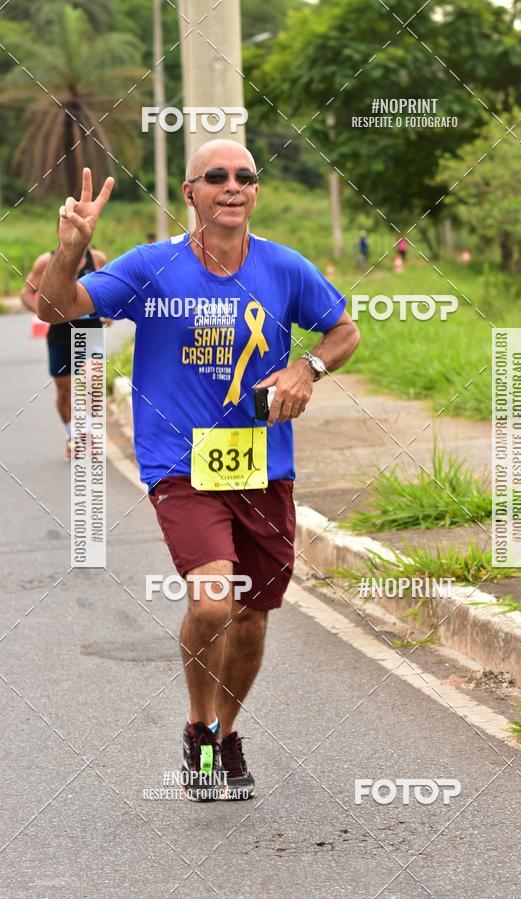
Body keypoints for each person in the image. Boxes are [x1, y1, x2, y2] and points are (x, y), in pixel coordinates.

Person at [37, 140, 360, 802]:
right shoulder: (154, 268)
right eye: (216, 176)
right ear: (191, 193)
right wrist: (73, 243)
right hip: (180, 464)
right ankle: (198, 725)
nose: (232, 185)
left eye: (245, 176)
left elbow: (344, 331)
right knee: (214, 599)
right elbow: (55, 306)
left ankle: (226, 732)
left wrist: (308, 368)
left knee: (252, 617)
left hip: (265, 466)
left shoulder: (285, 267)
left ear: (256, 191)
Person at [21, 246, 108, 459]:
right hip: (60, 333)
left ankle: (88, 435)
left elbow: (109, 289)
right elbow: (26, 294)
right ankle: (71, 436)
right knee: (64, 390)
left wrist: (109, 312)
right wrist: (44, 314)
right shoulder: (46, 261)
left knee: (92, 382)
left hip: (90, 330)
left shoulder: (97, 258)